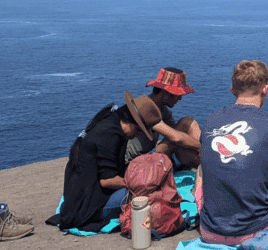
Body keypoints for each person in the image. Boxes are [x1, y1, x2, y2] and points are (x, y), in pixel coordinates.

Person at [197, 60, 268, 245]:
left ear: (232, 90)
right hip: (254, 231)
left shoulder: (211, 119)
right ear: (265, 90)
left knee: (200, 173)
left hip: (209, 231)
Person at [50, 91, 161, 232]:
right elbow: (107, 181)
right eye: (139, 130)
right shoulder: (110, 136)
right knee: (145, 199)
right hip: (88, 202)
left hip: (80, 190)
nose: (137, 136)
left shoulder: (112, 120)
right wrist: (140, 184)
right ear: (131, 122)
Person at [124, 67, 202, 169]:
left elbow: (179, 134)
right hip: (133, 165)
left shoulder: (163, 110)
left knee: (187, 123)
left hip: (149, 157)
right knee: (184, 131)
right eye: (177, 94)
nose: (180, 98)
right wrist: (203, 147)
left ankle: (207, 166)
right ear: (165, 93)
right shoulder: (144, 107)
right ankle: (209, 164)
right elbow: (176, 137)